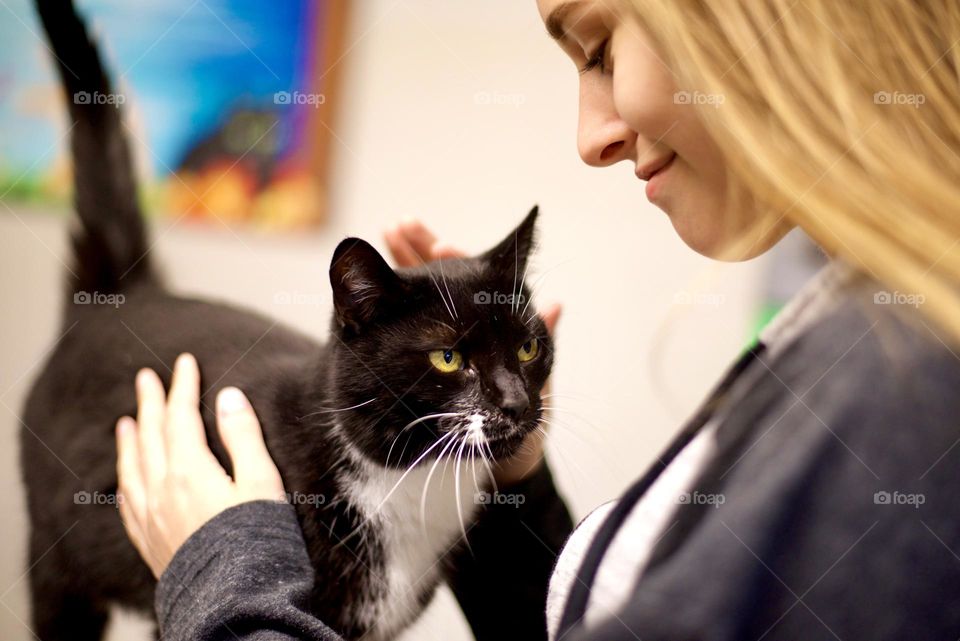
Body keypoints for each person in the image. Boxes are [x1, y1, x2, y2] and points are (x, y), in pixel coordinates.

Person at [115, 1, 960, 639]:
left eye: (598, 50)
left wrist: (225, 581)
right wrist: (511, 470)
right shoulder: (863, 325)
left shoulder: (904, 380)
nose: (589, 138)